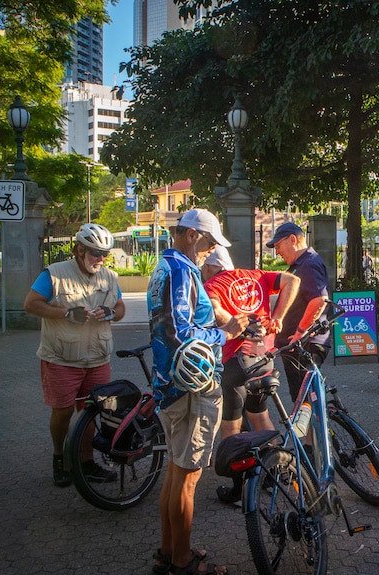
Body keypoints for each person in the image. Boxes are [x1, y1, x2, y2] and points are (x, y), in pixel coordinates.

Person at [147, 209, 245, 575]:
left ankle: (169, 553)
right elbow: (181, 333)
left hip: (172, 385)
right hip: (190, 386)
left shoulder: (164, 268)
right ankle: (182, 562)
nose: (210, 251)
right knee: (187, 478)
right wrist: (227, 332)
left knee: (175, 474)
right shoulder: (180, 271)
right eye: (209, 243)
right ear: (191, 235)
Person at [24, 223, 126, 486]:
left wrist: (112, 313)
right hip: (62, 357)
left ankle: (86, 462)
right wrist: (66, 313)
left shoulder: (109, 277)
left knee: (93, 409)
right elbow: (31, 304)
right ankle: (59, 457)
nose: (100, 259)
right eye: (94, 253)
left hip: (98, 357)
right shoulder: (55, 274)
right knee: (62, 412)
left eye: (105, 253)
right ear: (79, 249)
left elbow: (120, 306)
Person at [201, 245, 300, 505]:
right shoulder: (254, 275)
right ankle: (274, 472)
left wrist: (232, 322)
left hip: (236, 361)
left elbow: (212, 308)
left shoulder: (212, 283)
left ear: (212, 266)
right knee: (259, 415)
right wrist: (278, 316)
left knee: (231, 426)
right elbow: (293, 280)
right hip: (263, 357)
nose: (202, 270)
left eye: (203, 266)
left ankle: (239, 490)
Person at [266, 222, 331, 403]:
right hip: (299, 345)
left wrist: (299, 334)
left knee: (304, 403)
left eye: (278, 246)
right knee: (304, 401)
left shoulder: (308, 264)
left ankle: (314, 432)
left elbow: (319, 299)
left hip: (303, 345)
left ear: (293, 240)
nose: (277, 252)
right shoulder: (302, 264)